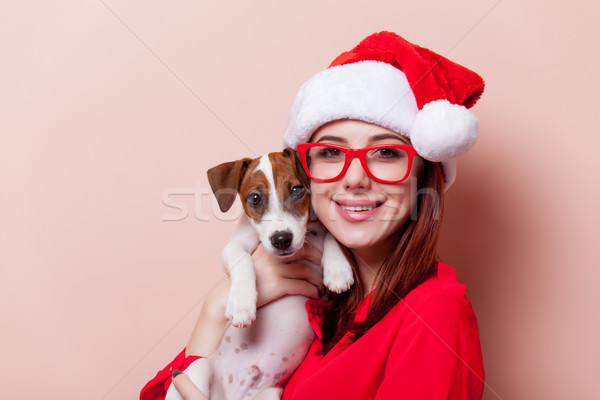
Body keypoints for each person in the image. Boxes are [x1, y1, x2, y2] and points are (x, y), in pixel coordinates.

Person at [141, 31, 485, 400]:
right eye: (331, 153)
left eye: (386, 153)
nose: (354, 178)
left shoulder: (434, 317)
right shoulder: (326, 305)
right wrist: (214, 310)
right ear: (307, 170)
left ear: (424, 173)